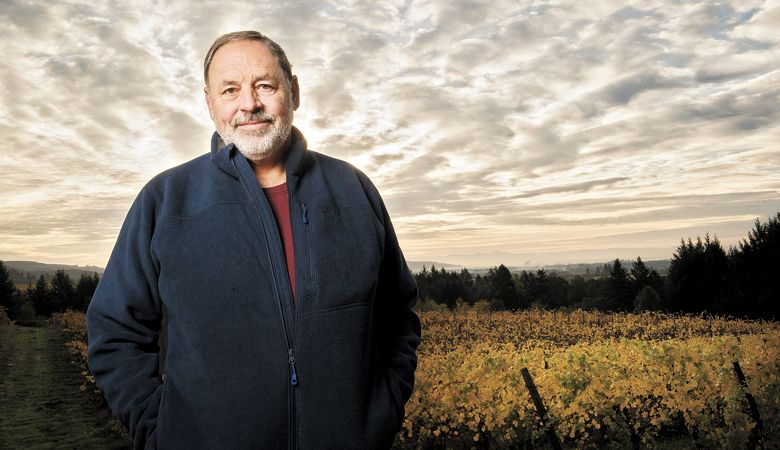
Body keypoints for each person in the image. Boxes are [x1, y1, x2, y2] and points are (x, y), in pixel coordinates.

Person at [86, 30, 421, 450]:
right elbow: (114, 331)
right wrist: (162, 432)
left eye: (265, 85)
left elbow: (397, 314)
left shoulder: (354, 189)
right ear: (209, 103)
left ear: (293, 92)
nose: (250, 104)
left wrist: (382, 411)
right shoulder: (165, 200)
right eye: (230, 90)